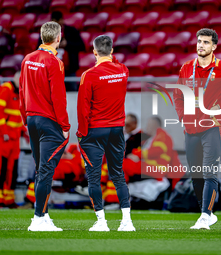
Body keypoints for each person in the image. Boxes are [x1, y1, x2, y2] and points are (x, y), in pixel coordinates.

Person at [173, 28, 221, 230]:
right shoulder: (187, 68)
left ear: (214, 46)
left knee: (209, 174)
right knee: (196, 175)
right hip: (190, 130)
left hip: (212, 128)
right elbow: (177, 95)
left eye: (206, 42)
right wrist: (182, 117)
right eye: (199, 41)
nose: (201, 45)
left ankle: (205, 216)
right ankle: (206, 212)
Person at [77, 35, 135, 232]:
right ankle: (127, 221)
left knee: (93, 178)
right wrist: (110, 57)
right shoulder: (122, 71)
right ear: (112, 51)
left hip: (94, 130)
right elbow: (118, 64)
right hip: (117, 130)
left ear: (94, 52)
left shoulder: (89, 75)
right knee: (118, 174)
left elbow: (83, 109)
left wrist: (81, 133)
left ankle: (101, 222)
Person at [19, 21, 70, 231]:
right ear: (57, 38)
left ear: (42, 37)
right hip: (48, 120)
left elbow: (22, 92)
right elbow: (58, 97)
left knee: (42, 169)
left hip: (32, 119)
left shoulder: (27, 59)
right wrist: (65, 125)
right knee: (46, 170)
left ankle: (44, 214)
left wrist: (25, 118)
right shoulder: (55, 62)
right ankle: (38, 218)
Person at [0, 71, 28, 208]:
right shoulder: (5, 89)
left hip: (15, 136)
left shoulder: (20, 93)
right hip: (4, 136)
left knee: (12, 168)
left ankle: (8, 198)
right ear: (15, 78)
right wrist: (4, 132)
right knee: (1, 166)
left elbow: (19, 116)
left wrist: (25, 132)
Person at [37, 11, 85, 91]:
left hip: (69, 70)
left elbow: (81, 46)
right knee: (54, 93)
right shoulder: (46, 33)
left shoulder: (72, 31)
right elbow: (39, 48)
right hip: (52, 70)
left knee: (72, 94)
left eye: (57, 21)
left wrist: (67, 44)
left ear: (62, 20)